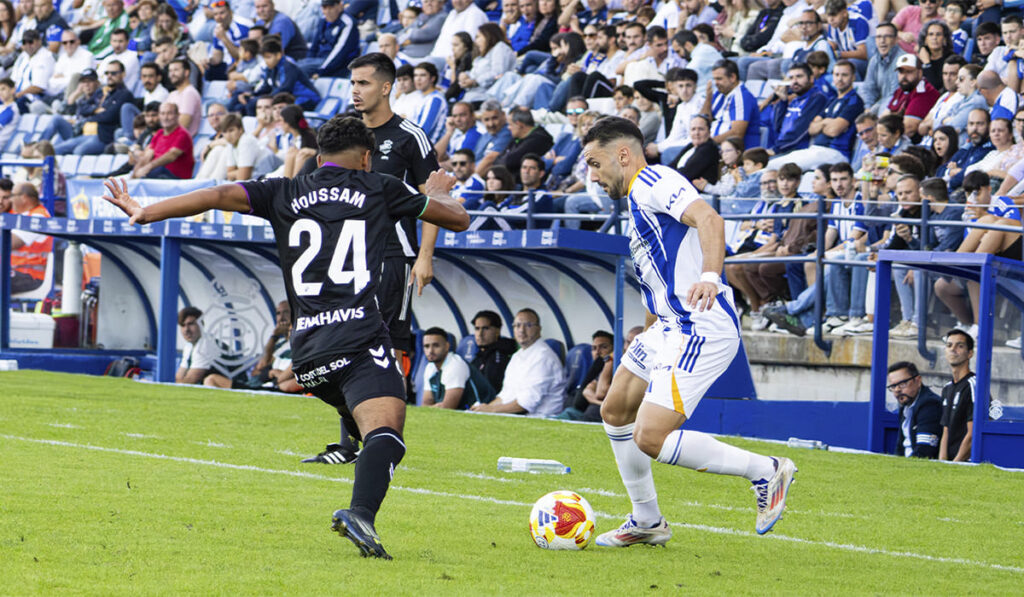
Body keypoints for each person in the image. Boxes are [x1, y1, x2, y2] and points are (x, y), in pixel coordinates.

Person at [101, 114, 470, 560]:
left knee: (363, 416)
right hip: (358, 338)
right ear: (366, 157)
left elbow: (218, 194)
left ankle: (351, 442)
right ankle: (360, 513)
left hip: (307, 354)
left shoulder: (285, 190)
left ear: (319, 155)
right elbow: (458, 219)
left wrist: (148, 211)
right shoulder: (379, 187)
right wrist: (437, 192)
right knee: (388, 434)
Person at [580, 116, 796, 547]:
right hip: (667, 326)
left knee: (650, 436)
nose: (593, 176)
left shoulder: (654, 181)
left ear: (622, 155)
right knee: (615, 410)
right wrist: (646, 336)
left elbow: (709, 219)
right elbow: (658, 278)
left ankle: (767, 470)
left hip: (699, 324)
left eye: (595, 164)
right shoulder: (637, 201)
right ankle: (647, 521)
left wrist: (711, 277)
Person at [303, 53, 442, 466]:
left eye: (363, 83)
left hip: (393, 256)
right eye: (352, 83)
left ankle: (383, 441)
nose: (355, 91)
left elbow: (433, 200)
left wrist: (425, 256)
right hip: (350, 260)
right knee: (345, 342)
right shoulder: (345, 134)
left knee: (388, 346)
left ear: (386, 87)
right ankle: (350, 444)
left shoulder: (409, 137)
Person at [470, 308, 567, 416]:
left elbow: (525, 404)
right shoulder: (517, 356)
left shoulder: (543, 357)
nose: (521, 330)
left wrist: (490, 410)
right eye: (517, 325)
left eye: (528, 325)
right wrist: (484, 409)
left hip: (541, 419)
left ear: (539, 329)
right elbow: (505, 395)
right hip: (520, 417)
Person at [204, 300, 300, 393]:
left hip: (273, 386)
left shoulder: (299, 345)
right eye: (278, 313)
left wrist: (273, 375)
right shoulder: (279, 345)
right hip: (259, 384)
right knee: (211, 379)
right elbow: (261, 366)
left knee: (213, 378)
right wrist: (274, 336)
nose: (281, 317)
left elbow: (295, 368)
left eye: (286, 312)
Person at [420, 326, 496, 409]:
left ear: (447, 346)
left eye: (436, 345)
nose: (430, 351)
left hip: (481, 412)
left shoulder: (455, 365)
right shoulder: (430, 367)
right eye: (426, 346)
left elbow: (447, 408)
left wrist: (435, 407)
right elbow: (426, 404)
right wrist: (436, 407)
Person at [554, 330, 614, 421]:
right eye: (594, 348)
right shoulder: (597, 369)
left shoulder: (615, 369)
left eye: (603, 347)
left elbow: (600, 393)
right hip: (584, 413)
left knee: (571, 413)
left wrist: (607, 361)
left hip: (601, 417)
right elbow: (585, 393)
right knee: (569, 411)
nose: (597, 352)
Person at [889, 361, 943, 459]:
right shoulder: (905, 407)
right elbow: (899, 448)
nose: (897, 390)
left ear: (918, 381)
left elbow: (924, 451)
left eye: (902, 383)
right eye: (893, 386)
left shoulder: (930, 404)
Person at [939, 329, 976, 462]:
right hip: (951, 463)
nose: (953, 349)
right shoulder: (947, 388)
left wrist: (955, 465)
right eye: (949, 345)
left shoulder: (973, 385)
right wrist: (942, 463)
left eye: (959, 346)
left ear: (970, 353)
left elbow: (973, 433)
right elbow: (946, 430)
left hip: (966, 463)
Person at [8, 181, 51, 293]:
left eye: (12, 195)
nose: (10, 200)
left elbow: (11, 242)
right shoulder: (19, 215)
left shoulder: (38, 217)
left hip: (31, 276)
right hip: (15, 273)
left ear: (24, 198)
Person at [131, 102, 194, 179]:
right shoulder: (159, 133)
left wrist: (148, 167)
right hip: (158, 174)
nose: (165, 117)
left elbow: (171, 155)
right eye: (162, 114)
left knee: (157, 170)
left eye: (169, 113)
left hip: (175, 178)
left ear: (177, 115)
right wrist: (134, 176)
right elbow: (147, 156)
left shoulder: (182, 134)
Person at [302, 0, 358, 79]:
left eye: (331, 7)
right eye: (325, 8)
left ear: (340, 6)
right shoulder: (322, 21)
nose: (327, 12)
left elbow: (340, 53)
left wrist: (321, 72)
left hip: (339, 67)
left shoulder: (347, 23)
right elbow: (314, 47)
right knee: (293, 67)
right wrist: (308, 61)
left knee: (299, 70)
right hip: (319, 61)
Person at [859, 23, 906, 116]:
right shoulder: (874, 60)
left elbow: (896, 95)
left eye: (887, 36)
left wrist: (879, 116)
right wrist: (868, 108)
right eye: (879, 37)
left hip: (897, 107)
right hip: (881, 104)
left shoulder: (902, 60)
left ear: (896, 39)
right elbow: (869, 88)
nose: (882, 41)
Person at [468, 309, 518, 393]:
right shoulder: (480, 356)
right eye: (477, 329)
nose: (480, 334)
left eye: (486, 328)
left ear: (498, 331)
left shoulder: (501, 356)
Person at [174, 306, 222, 385]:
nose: (186, 330)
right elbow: (179, 377)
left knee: (210, 380)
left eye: (191, 324)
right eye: (183, 325)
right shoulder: (189, 346)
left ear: (201, 325)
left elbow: (190, 381)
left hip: (238, 387)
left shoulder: (206, 344)